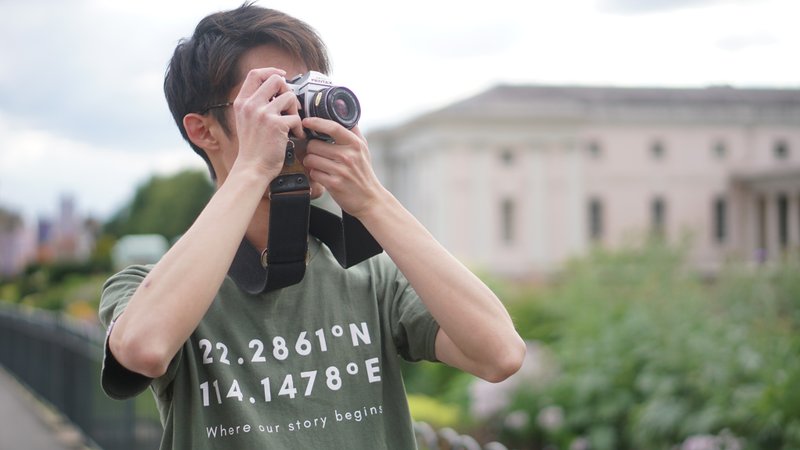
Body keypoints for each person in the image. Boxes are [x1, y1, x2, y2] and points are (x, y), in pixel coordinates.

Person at [99, 3, 525, 449]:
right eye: (272, 99)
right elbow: (143, 348)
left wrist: (371, 200)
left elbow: (500, 354)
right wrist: (251, 170)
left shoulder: (368, 276)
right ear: (205, 131)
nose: (299, 121)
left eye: (305, 93)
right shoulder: (147, 287)